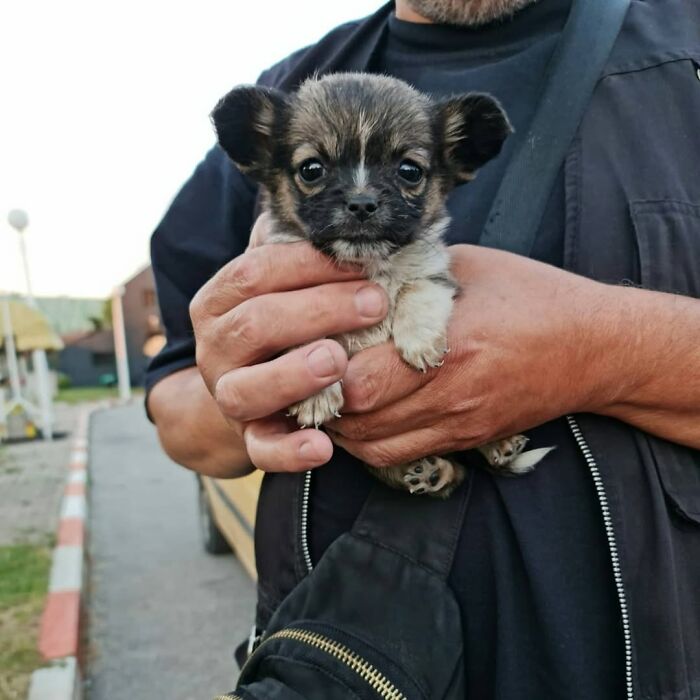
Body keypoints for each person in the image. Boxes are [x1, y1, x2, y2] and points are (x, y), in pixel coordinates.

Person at [146, 1, 700, 698]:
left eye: (406, 173)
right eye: (314, 172)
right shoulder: (291, 86)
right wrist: (249, 388)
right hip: (350, 659)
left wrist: (604, 348)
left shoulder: (688, 50)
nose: (360, 198)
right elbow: (174, 410)